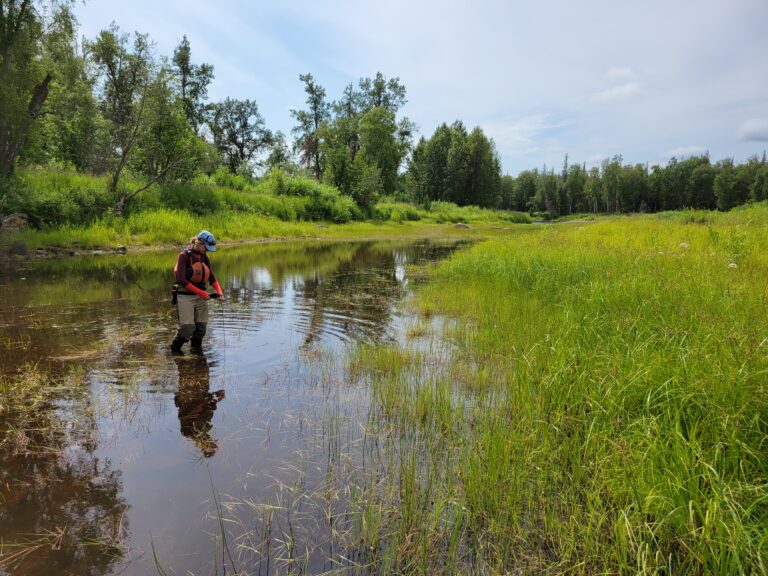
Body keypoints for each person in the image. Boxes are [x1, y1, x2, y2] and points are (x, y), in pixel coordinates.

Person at [170, 230, 225, 353]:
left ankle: (196, 355)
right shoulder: (184, 256)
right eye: (206, 248)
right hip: (185, 296)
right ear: (199, 243)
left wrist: (220, 292)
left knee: (201, 329)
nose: (207, 251)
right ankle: (174, 352)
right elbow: (181, 279)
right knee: (187, 328)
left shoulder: (205, 258)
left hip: (201, 297)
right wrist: (202, 293)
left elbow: (212, 278)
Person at [173, 352, 225, 457]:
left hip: (188, 393)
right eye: (213, 442)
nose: (212, 439)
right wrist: (217, 396)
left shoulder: (187, 433)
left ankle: (177, 349)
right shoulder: (207, 426)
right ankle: (194, 347)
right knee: (201, 361)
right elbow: (208, 405)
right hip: (201, 388)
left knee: (183, 363)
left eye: (210, 443)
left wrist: (198, 408)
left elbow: (184, 415)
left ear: (203, 445)